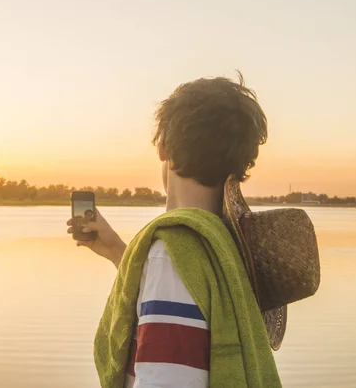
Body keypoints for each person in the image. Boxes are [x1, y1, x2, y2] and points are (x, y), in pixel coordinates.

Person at [67, 75, 281, 388]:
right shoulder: (231, 242)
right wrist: (117, 252)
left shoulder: (171, 254)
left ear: (163, 145)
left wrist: (154, 259)